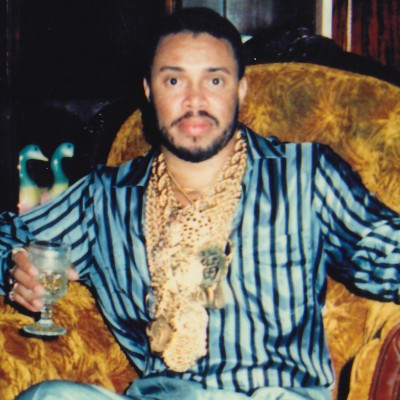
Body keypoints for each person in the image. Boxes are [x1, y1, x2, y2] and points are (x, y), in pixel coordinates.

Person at [1, 7, 399, 400]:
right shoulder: (104, 198)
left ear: (240, 90)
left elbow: (387, 251)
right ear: (149, 91)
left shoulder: (305, 175)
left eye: (215, 80)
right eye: (174, 80)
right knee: (48, 396)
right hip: (161, 397)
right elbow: (9, 237)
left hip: (275, 396)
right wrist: (15, 266)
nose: (195, 100)